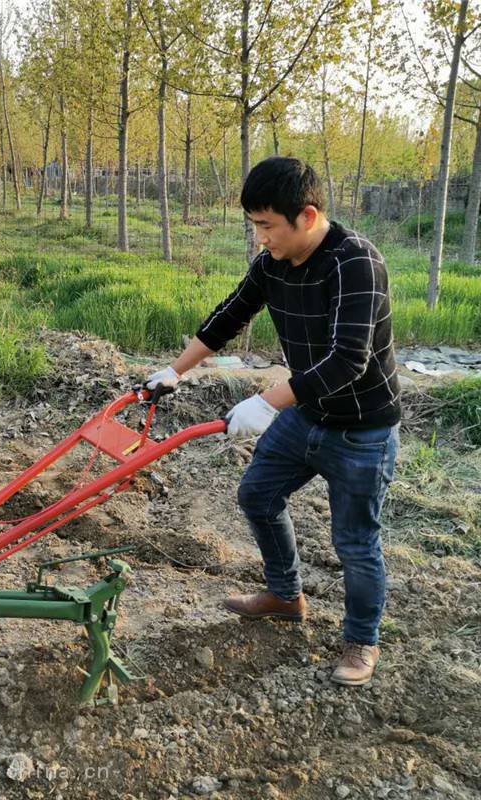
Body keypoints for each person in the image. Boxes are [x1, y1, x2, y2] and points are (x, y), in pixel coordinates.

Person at [145, 156, 400, 686]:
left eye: (266, 226)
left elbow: (348, 359)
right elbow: (230, 315)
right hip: (307, 413)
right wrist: (174, 371)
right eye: (254, 226)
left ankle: (361, 642)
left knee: (354, 541)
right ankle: (285, 595)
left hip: (361, 429)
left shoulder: (356, 263)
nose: (261, 238)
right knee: (257, 495)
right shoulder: (272, 264)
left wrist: (268, 402)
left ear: (306, 216)